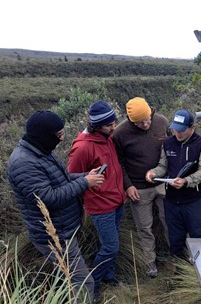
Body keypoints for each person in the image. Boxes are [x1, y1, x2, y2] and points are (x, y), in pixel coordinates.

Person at [7, 110, 104, 303]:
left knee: (69, 277)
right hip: (55, 235)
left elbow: (61, 181)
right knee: (83, 282)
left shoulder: (41, 151)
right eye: (59, 135)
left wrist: (86, 176)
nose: (62, 138)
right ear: (44, 135)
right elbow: (48, 198)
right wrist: (85, 183)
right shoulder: (23, 164)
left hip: (63, 229)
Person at [67, 100, 126, 299]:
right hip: (101, 206)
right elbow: (72, 178)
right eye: (109, 125)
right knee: (111, 246)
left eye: (114, 123)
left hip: (116, 201)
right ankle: (93, 283)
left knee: (111, 244)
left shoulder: (106, 137)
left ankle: (109, 276)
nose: (113, 127)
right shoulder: (83, 147)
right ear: (97, 125)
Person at [112, 97, 169, 278]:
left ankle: (175, 254)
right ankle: (149, 261)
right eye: (139, 123)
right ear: (130, 120)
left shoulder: (161, 122)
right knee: (144, 226)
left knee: (169, 220)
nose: (145, 124)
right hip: (138, 187)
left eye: (147, 120)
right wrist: (128, 186)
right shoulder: (120, 133)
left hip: (163, 182)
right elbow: (118, 162)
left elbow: (170, 148)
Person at [146, 109, 201, 259]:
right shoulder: (168, 143)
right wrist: (153, 173)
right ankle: (179, 273)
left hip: (194, 200)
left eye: (182, 130)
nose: (178, 133)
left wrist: (186, 181)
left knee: (197, 236)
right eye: (175, 129)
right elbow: (163, 166)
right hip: (172, 201)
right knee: (175, 239)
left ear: (192, 128)